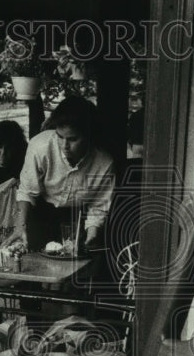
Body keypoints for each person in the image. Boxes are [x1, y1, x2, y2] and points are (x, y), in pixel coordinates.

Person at [11, 96, 116, 251]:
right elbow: (27, 192)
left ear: (89, 136)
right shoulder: (40, 147)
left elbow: (98, 207)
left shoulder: (104, 163)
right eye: (60, 137)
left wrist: (91, 237)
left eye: (73, 139)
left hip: (78, 218)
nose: (64, 146)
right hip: (41, 214)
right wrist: (20, 228)